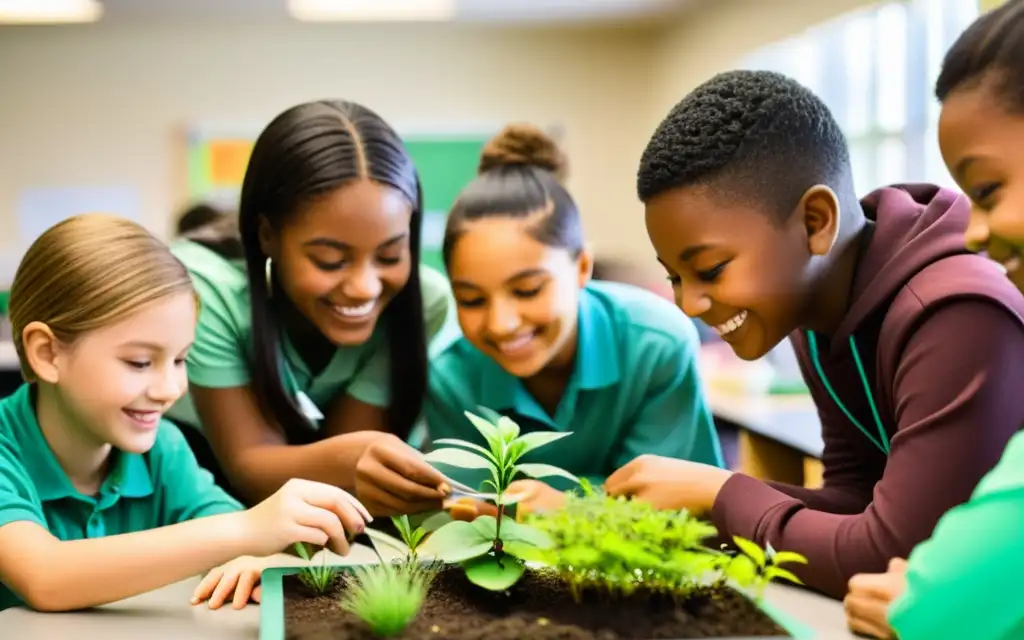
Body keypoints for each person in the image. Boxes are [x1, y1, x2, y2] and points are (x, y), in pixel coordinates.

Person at [607, 69, 1024, 599]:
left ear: (815, 221)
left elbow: (897, 550)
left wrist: (721, 496)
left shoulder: (957, 314)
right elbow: (855, 497)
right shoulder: (816, 318)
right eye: (675, 277)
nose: (689, 303)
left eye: (710, 269)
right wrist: (693, 502)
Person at [0, 214, 371, 613]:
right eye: (140, 362)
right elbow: (47, 578)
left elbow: (228, 536)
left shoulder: (163, 448)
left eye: (180, 360)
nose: (170, 390)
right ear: (46, 352)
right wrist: (248, 529)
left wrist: (254, 557)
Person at [844, 0, 1024, 640]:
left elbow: (943, 604)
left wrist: (925, 604)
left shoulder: (958, 308)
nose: (976, 231)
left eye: (988, 188)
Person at [166, 100, 455, 516]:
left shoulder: (421, 302)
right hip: (206, 492)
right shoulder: (205, 290)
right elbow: (249, 464)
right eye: (330, 260)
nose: (363, 287)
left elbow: (344, 460)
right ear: (267, 235)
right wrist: (356, 459)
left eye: (390, 255)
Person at [427, 124, 723, 511]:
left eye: (527, 290)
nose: (501, 323)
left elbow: (677, 505)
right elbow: (470, 510)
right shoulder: (450, 374)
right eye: (471, 299)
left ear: (583, 266)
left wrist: (565, 508)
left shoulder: (657, 343)